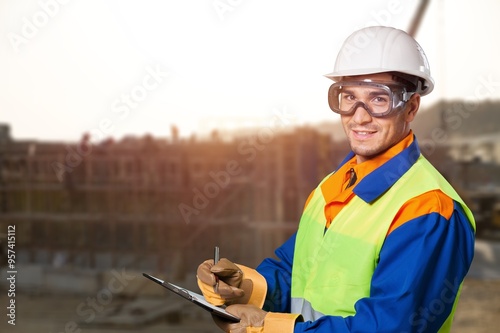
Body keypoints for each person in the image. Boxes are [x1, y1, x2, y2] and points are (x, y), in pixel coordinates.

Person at [196, 26, 476, 333]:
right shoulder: (331, 187)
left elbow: (389, 327)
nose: (359, 116)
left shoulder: (428, 209)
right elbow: (300, 275)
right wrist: (245, 285)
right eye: (349, 98)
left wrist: (273, 328)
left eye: (378, 100)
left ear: (410, 107)